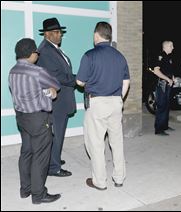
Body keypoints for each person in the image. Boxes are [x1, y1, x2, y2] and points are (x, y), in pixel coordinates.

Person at [76, 22, 130, 190]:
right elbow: (126, 81)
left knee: (95, 143)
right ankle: (119, 178)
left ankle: (99, 181)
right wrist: (119, 98)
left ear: (96, 35)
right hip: (116, 103)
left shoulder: (89, 55)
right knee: (117, 142)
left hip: (97, 103)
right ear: (109, 36)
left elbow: (79, 81)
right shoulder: (120, 56)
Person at [8, 38, 61, 204]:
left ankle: (25, 189)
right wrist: (48, 91)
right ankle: (38, 194)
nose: (37, 55)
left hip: (21, 118)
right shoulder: (36, 71)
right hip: (38, 118)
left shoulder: (12, 71)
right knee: (40, 156)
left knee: (26, 152)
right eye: (36, 53)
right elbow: (56, 85)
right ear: (31, 54)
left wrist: (44, 91)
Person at [37, 17, 76, 177]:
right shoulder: (46, 50)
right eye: (56, 32)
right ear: (47, 34)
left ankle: (55, 159)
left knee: (58, 134)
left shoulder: (53, 48)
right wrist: (78, 79)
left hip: (61, 99)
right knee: (57, 134)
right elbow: (56, 75)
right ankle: (54, 167)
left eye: (60, 32)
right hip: (57, 101)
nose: (60, 35)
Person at [151, 41, 176, 135]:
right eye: (171, 46)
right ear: (165, 46)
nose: (173, 48)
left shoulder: (169, 57)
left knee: (166, 105)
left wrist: (172, 77)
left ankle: (164, 126)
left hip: (168, 85)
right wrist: (167, 79)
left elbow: (168, 70)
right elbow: (156, 71)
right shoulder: (160, 56)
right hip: (161, 84)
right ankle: (158, 129)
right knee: (161, 106)